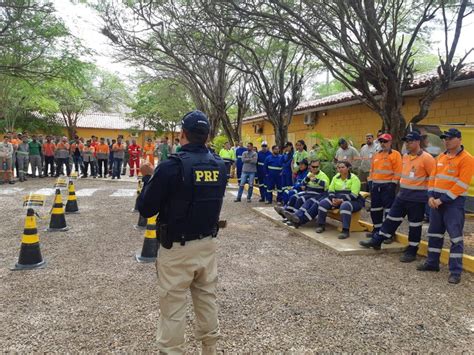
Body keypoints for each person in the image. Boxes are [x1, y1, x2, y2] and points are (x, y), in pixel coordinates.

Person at [137, 110, 226, 354]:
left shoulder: (170, 167)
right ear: (207, 136)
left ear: (182, 134)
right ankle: (210, 349)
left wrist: (148, 178)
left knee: (173, 309)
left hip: (176, 249)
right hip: (207, 245)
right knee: (207, 300)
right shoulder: (220, 165)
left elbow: (146, 208)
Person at [360, 131, 436, 262]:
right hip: (402, 196)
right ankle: (377, 240)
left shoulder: (427, 158)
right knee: (391, 219)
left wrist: (429, 195)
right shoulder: (405, 156)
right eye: (406, 141)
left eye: (410, 141)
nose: (407, 144)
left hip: (417, 198)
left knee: (414, 225)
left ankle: (412, 250)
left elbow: (433, 178)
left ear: (418, 142)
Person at [417, 128, 474, 284]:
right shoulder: (441, 157)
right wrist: (430, 196)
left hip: (453, 204)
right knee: (434, 234)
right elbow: (433, 178)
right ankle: (432, 263)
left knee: (455, 237)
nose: (446, 141)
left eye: (449, 138)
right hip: (436, 202)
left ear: (459, 139)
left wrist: (441, 200)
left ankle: (455, 271)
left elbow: (461, 185)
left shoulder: (467, 159)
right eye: (444, 138)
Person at [366, 133, 402, 240]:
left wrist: (393, 184)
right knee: (375, 210)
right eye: (381, 141)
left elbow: (398, 171)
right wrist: (371, 182)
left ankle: (389, 234)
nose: (383, 144)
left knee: (389, 212)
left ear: (390, 142)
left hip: (388, 187)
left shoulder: (395, 154)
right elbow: (372, 170)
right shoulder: (376, 155)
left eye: (385, 142)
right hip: (376, 186)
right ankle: (377, 230)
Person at [316, 161, 365, 239]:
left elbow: (354, 195)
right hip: (337, 199)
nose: (340, 169)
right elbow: (331, 190)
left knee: (345, 205)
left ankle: (345, 230)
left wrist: (341, 200)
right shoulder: (336, 177)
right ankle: (321, 225)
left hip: (353, 201)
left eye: (343, 167)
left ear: (348, 168)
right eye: (339, 168)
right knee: (323, 203)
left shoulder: (354, 178)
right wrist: (333, 199)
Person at [278, 160, 330, 227]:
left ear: (319, 167)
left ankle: (295, 217)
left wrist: (316, 180)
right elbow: (303, 183)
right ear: (310, 167)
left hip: (317, 194)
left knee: (301, 199)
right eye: (313, 167)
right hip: (308, 191)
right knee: (294, 197)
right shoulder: (309, 174)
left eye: (317, 167)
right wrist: (307, 179)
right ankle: (287, 214)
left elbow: (326, 186)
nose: (315, 168)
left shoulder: (323, 175)